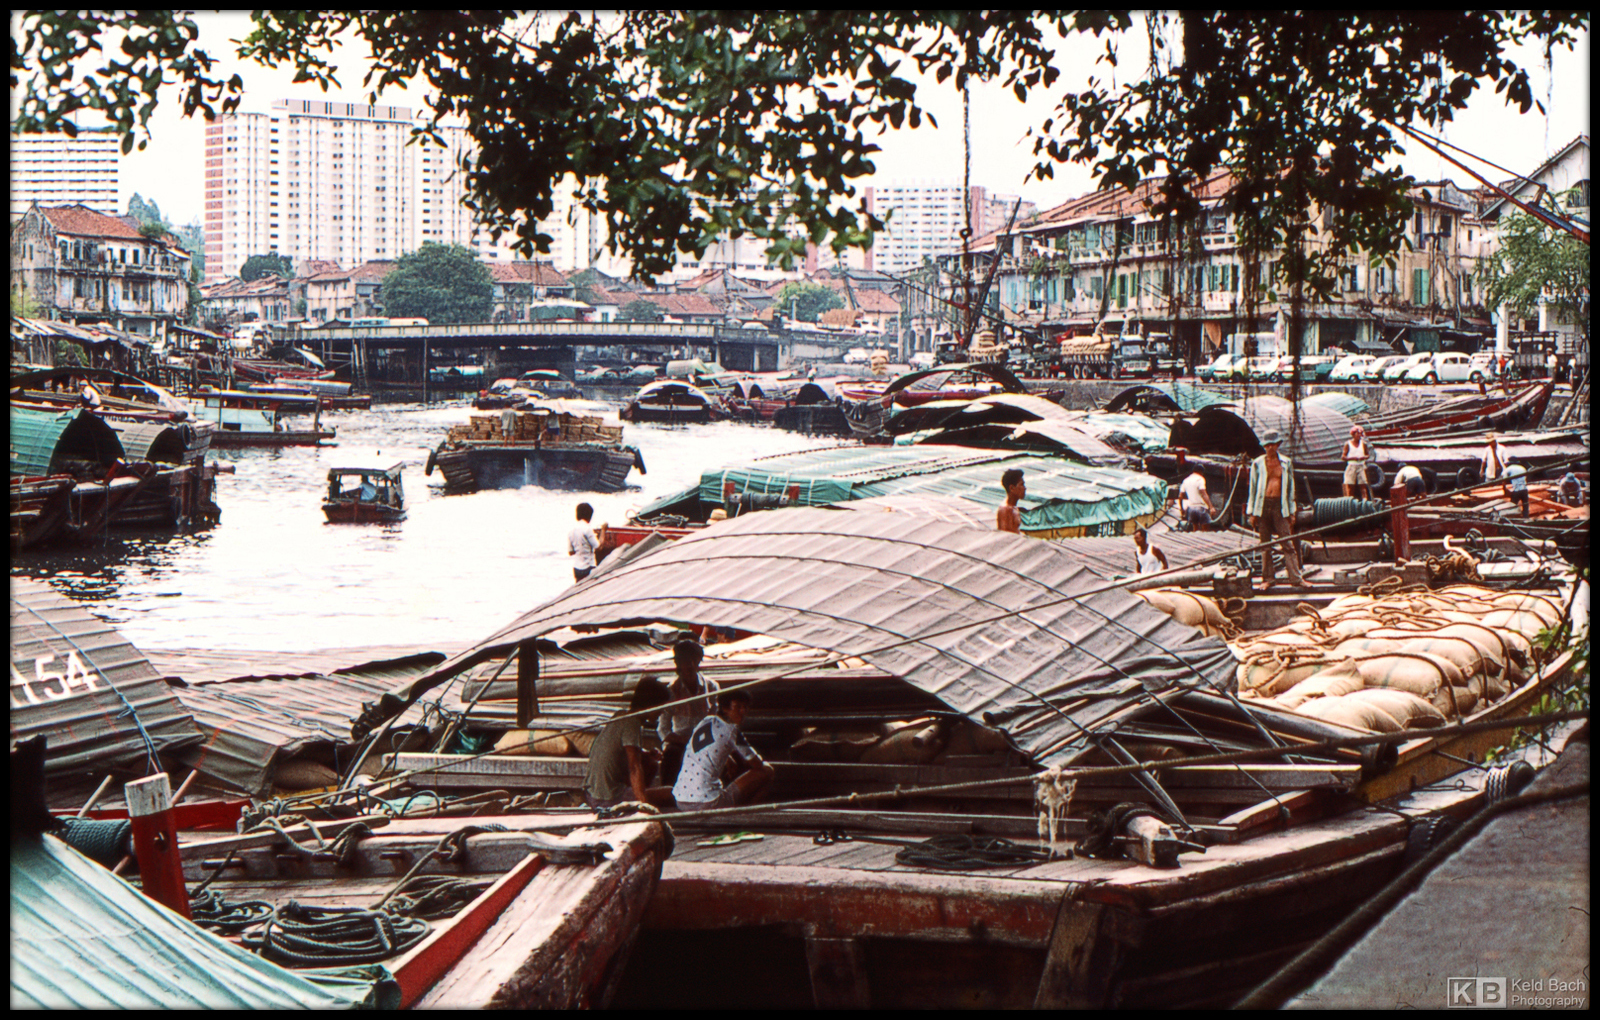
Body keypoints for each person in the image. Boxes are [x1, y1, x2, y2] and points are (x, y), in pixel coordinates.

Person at [672, 690, 775, 813]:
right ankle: (752, 813)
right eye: (738, 707)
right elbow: (757, 764)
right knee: (767, 770)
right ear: (725, 708)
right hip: (709, 803)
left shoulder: (706, 721)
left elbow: (712, 745)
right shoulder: (732, 731)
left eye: (746, 707)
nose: (743, 712)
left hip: (681, 801)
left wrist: (729, 760)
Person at [583, 677, 672, 810]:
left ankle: (635, 797)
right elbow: (634, 767)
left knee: (651, 763)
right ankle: (635, 802)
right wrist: (644, 806)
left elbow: (626, 749)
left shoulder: (621, 715)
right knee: (670, 793)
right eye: (661, 707)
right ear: (651, 705)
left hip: (590, 794)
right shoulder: (632, 724)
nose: (662, 712)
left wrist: (647, 753)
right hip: (606, 799)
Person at [657, 636, 719, 788]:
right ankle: (667, 793)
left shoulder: (711, 687)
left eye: (689, 662)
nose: (684, 667)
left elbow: (717, 721)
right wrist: (684, 741)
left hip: (706, 740)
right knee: (671, 755)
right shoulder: (671, 691)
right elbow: (663, 729)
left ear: (698, 662)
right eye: (680, 662)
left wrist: (702, 740)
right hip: (679, 742)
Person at [1246, 429, 1305, 588]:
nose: (1270, 448)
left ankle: (1296, 578)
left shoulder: (1286, 463)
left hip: (1280, 505)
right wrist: (1252, 512)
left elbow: (1291, 488)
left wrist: (1292, 511)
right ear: (1264, 446)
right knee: (1265, 545)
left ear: (1278, 445)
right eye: (1267, 445)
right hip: (1263, 505)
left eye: (1273, 444)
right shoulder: (1258, 463)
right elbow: (1252, 488)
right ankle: (1268, 579)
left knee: (1287, 544)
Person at [568, 502, 599, 582]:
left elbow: (571, 552)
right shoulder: (588, 529)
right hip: (588, 567)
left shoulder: (571, 531)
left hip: (577, 568)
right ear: (589, 516)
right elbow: (598, 547)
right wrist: (603, 532)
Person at [1341, 425, 1373, 500]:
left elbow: (1367, 455)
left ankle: (1365, 501)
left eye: (1360, 434)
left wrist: (1363, 457)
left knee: (1363, 485)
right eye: (1357, 434)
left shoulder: (1363, 444)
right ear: (1353, 434)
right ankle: (1349, 501)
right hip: (1351, 466)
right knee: (1350, 485)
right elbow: (1343, 457)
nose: (1359, 436)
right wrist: (1353, 458)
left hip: (1361, 466)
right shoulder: (1348, 444)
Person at [997, 467, 1024, 533]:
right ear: (1012, 488)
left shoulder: (1012, 508)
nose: (1025, 488)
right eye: (1022, 485)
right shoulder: (1007, 510)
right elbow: (1007, 537)